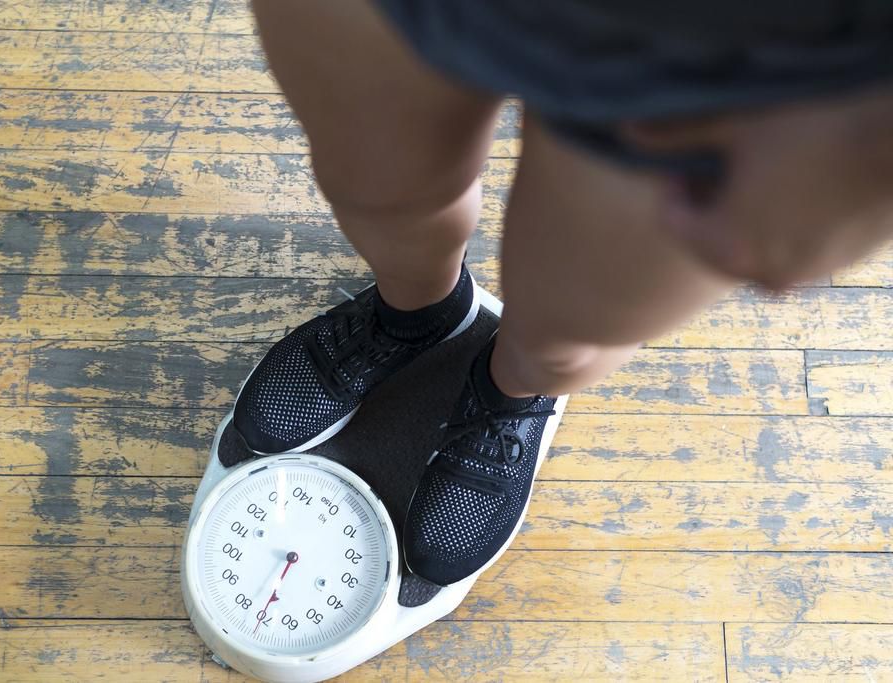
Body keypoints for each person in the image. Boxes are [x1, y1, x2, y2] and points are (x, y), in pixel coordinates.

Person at [232, 1, 893, 586]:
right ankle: (412, 316)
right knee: (377, 195)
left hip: (729, 44)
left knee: (573, 326)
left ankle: (510, 392)